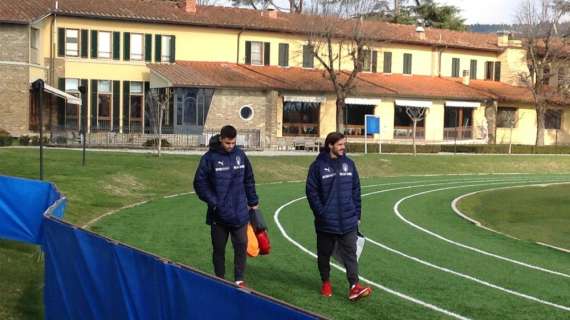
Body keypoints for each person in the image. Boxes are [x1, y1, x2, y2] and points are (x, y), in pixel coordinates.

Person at [305, 132, 372, 301]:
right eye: (340, 144)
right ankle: (326, 282)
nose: (343, 147)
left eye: (344, 144)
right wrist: (321, 213)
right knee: (324, 254)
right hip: (326, 222)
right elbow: (311, 192)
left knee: (351, 253)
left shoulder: (349, 164)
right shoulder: (317, 167)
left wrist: (357, 213)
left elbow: (356, 190)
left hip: (348, 220)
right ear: (330, 145)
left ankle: (354, 286)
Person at [193, 125, 259, 288]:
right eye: (227, 143)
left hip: (240, 213)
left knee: (241, 247)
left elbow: (249, 179)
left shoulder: (241, 155)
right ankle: (220, 279)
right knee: (219, 249)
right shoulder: (209, 158)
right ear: (221, 139)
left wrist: (253, 201)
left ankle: (239, 279)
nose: (230, 146)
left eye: (233, 143)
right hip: (219, 215)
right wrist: (214, 202)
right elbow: (199, 183)